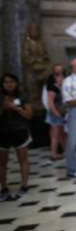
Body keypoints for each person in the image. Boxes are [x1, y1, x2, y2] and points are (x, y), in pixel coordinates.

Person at [0, 73, 33, 201]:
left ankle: (24, 185)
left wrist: (16, 108)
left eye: (12, 81)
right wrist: (4, 107)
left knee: (23, 159)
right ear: (2, 84)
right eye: (6, 82)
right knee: (2, 162)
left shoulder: (22, 96)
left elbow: (29, 115)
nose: (9, 84)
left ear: (16, 83)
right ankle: (3, 188)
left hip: (20, 130)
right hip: (2, 132)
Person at [45, 64, 66, 160]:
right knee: (55, 134)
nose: (60, 78)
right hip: (55, 113)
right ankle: (53, 153)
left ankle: (66, 150)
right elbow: (50, 103)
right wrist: (56, 113)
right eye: (58, 75)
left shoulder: (61, 84)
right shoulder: (52, 87)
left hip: (61, 112)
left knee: (61, 133)